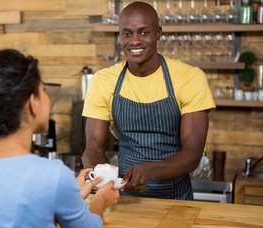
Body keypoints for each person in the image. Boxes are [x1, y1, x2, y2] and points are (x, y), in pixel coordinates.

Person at [0, 49, 119, 228]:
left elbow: (13, 208)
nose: (47, 98)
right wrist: (100, 200)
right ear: (33, 102)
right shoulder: (51, 176)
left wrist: (69, 195)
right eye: (43, 90)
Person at [81, 2, 215, 200]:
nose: (134, 41)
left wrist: (149, 171)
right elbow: (93, 147)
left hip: (176, 201)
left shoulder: (189, 78)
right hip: (123, 199)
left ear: (158, 33)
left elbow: (192, 154)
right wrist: (103, 178)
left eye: (144, 33)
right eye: (127, 34)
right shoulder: (104, 81)